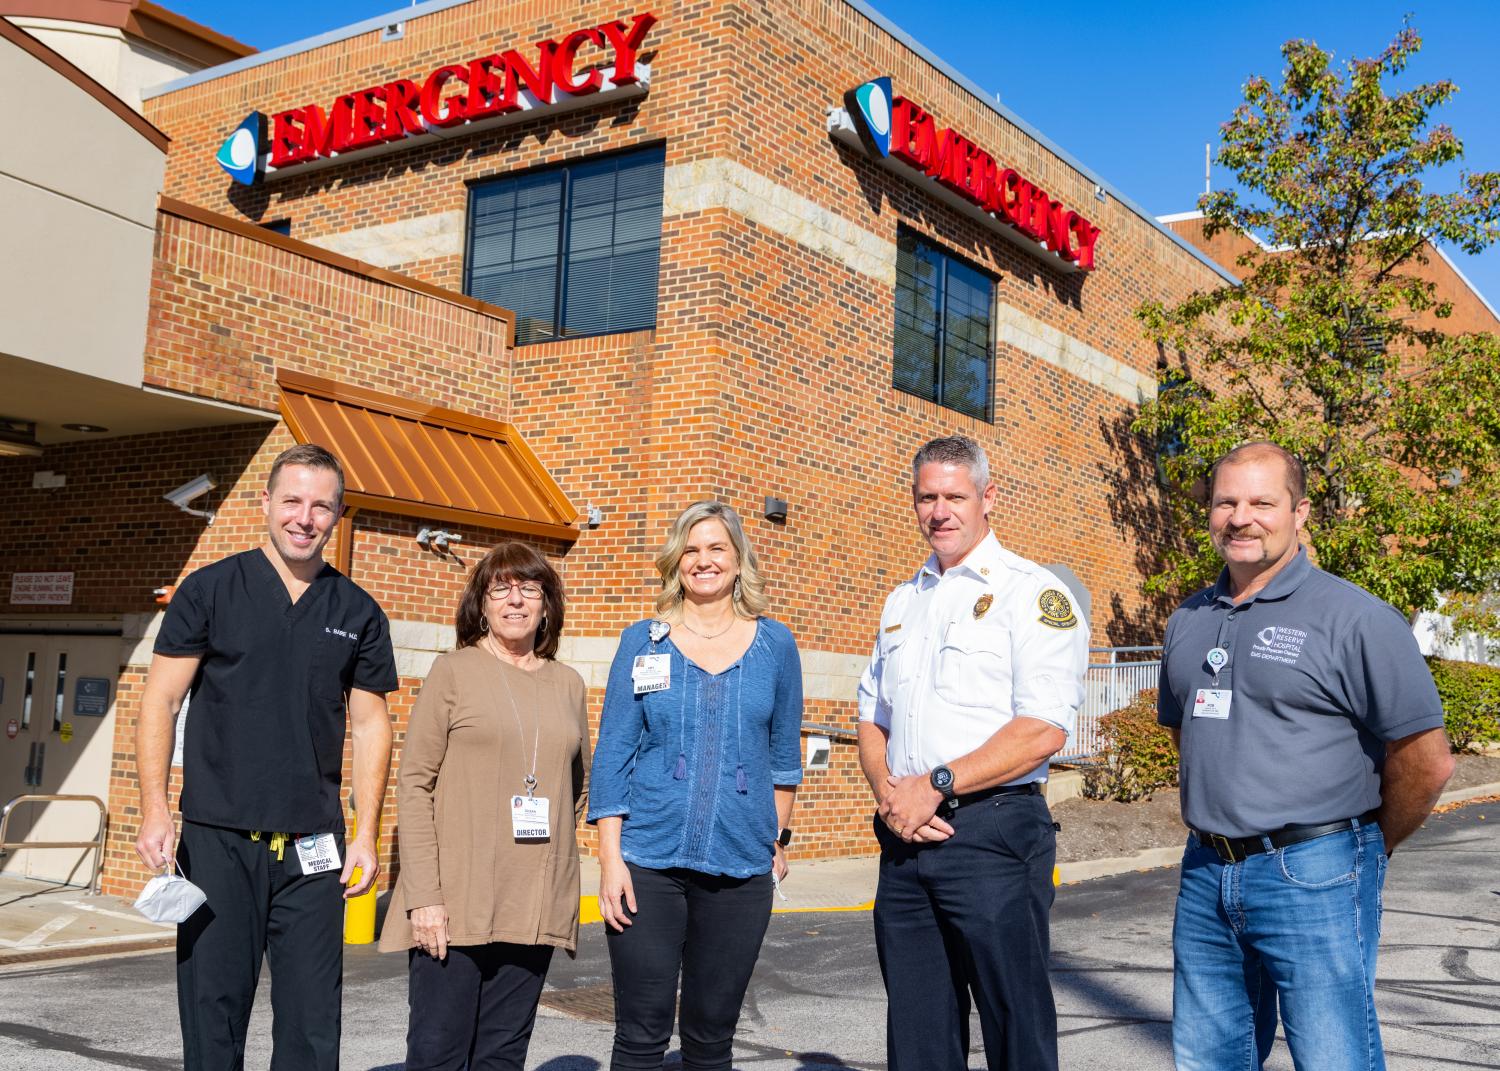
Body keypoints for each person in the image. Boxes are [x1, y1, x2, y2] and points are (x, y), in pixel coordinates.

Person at [1157, 441, 1454, 1071]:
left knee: (1332, 1056)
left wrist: (1368, 845)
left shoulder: (1357, 619)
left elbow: (1427, 762)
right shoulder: (1187, 619)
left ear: (1301, 512)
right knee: (1208, 1058)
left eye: (1263, 501)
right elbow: (1188, 736)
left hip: (1315, 870)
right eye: (1226, 501)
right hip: (1207, 871)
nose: (1242, 517)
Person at [134, 443, 397, 1070]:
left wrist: (365, 835)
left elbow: (370, 727)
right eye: (292, 501)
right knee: (213, 1010)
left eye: (321, 506)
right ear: (266, 504)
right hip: (217, 838)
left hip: (313, 848)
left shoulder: (357, 611)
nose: (304, 517)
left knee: (312, 1024)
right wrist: (153, 809)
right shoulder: (210, 590)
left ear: (337, 516)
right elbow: (160, 703)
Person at [857, 434, 1088, 1071]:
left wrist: (936, 780)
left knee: (1015, 1025)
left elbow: (1044, 728)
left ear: (989, 497)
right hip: (905, 835)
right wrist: (890, 794)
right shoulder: (903, 601)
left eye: (955, 496)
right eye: (927, 497)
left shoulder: (1031, 594)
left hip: (993, 833)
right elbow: (872, 720)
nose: (940, 511)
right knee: (918, 1031)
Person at [588, 501, 803, 1071]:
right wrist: (611, 861)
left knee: (711, 1038)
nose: (703, 561)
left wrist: (775, 836)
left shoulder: (775, 646)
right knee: (641, 1032)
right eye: (691, 549)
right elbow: (613, 753)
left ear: (738, 561)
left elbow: (783, 757)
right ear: (675, 560)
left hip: (739, 868)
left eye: (716, 549)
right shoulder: (644, 641)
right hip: (647, 863)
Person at [380, 541, 589, 1071]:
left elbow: (577, 786)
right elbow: (414, 784)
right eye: (501, 588)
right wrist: (424, 896)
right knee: (437, 1056)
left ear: (547, 604)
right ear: (482, 602)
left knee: (502, 1056)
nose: (515, 600)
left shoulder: (568, 685)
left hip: (532, 906)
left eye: (529, 588)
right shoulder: (454, 672)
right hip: (455, 906)